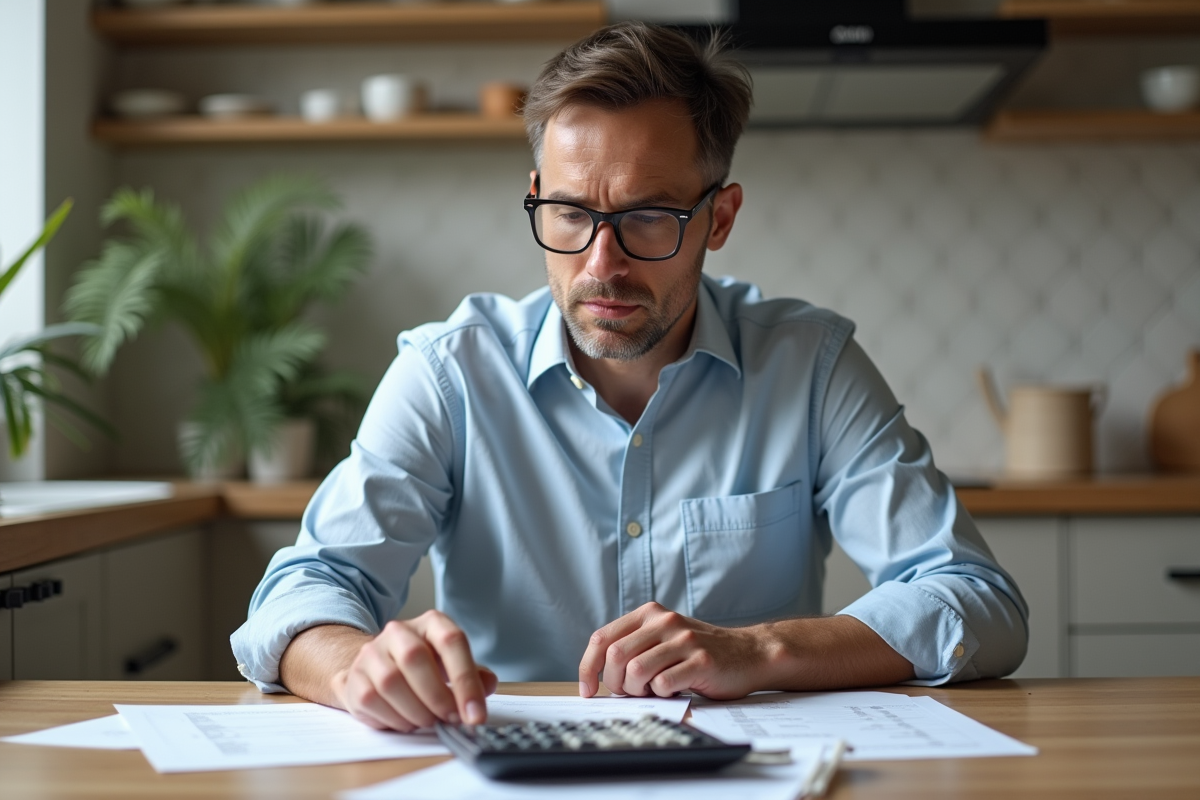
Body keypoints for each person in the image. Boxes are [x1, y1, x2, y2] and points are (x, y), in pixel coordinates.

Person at [232, 22, 1028, 733]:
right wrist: (354, 667)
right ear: (538, 199)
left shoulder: (809, 366)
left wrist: (759, 649)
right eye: (572, 215)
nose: (600, 266)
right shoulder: (450, 375)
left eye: (648, 215)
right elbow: (305, 590)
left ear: (718, 218)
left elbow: (977, 600)